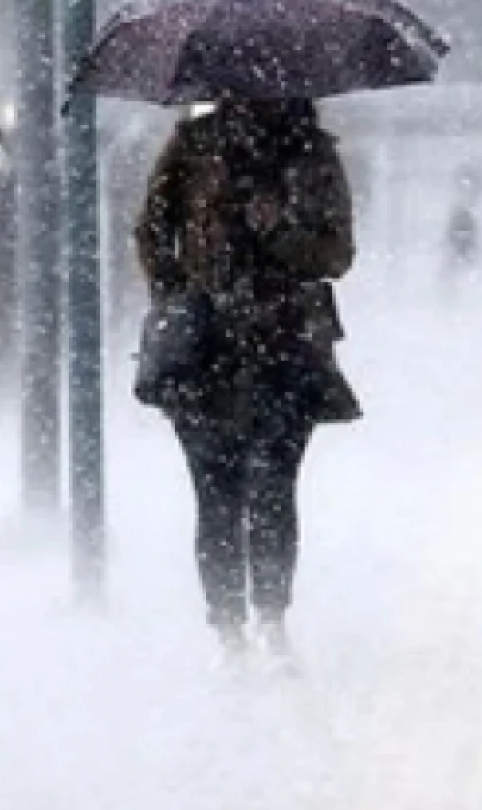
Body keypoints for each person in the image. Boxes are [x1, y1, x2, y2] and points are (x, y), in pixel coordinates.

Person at [134, 97, 360, 664]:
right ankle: (229, 629)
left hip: (285, 345)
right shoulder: (193, 147)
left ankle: (270, 618)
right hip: (205, 350)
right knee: (216, 493)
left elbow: (336, 254)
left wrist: (280, 230)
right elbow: (151, 230)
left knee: (274, 487)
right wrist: (178, 293)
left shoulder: (312, 154)